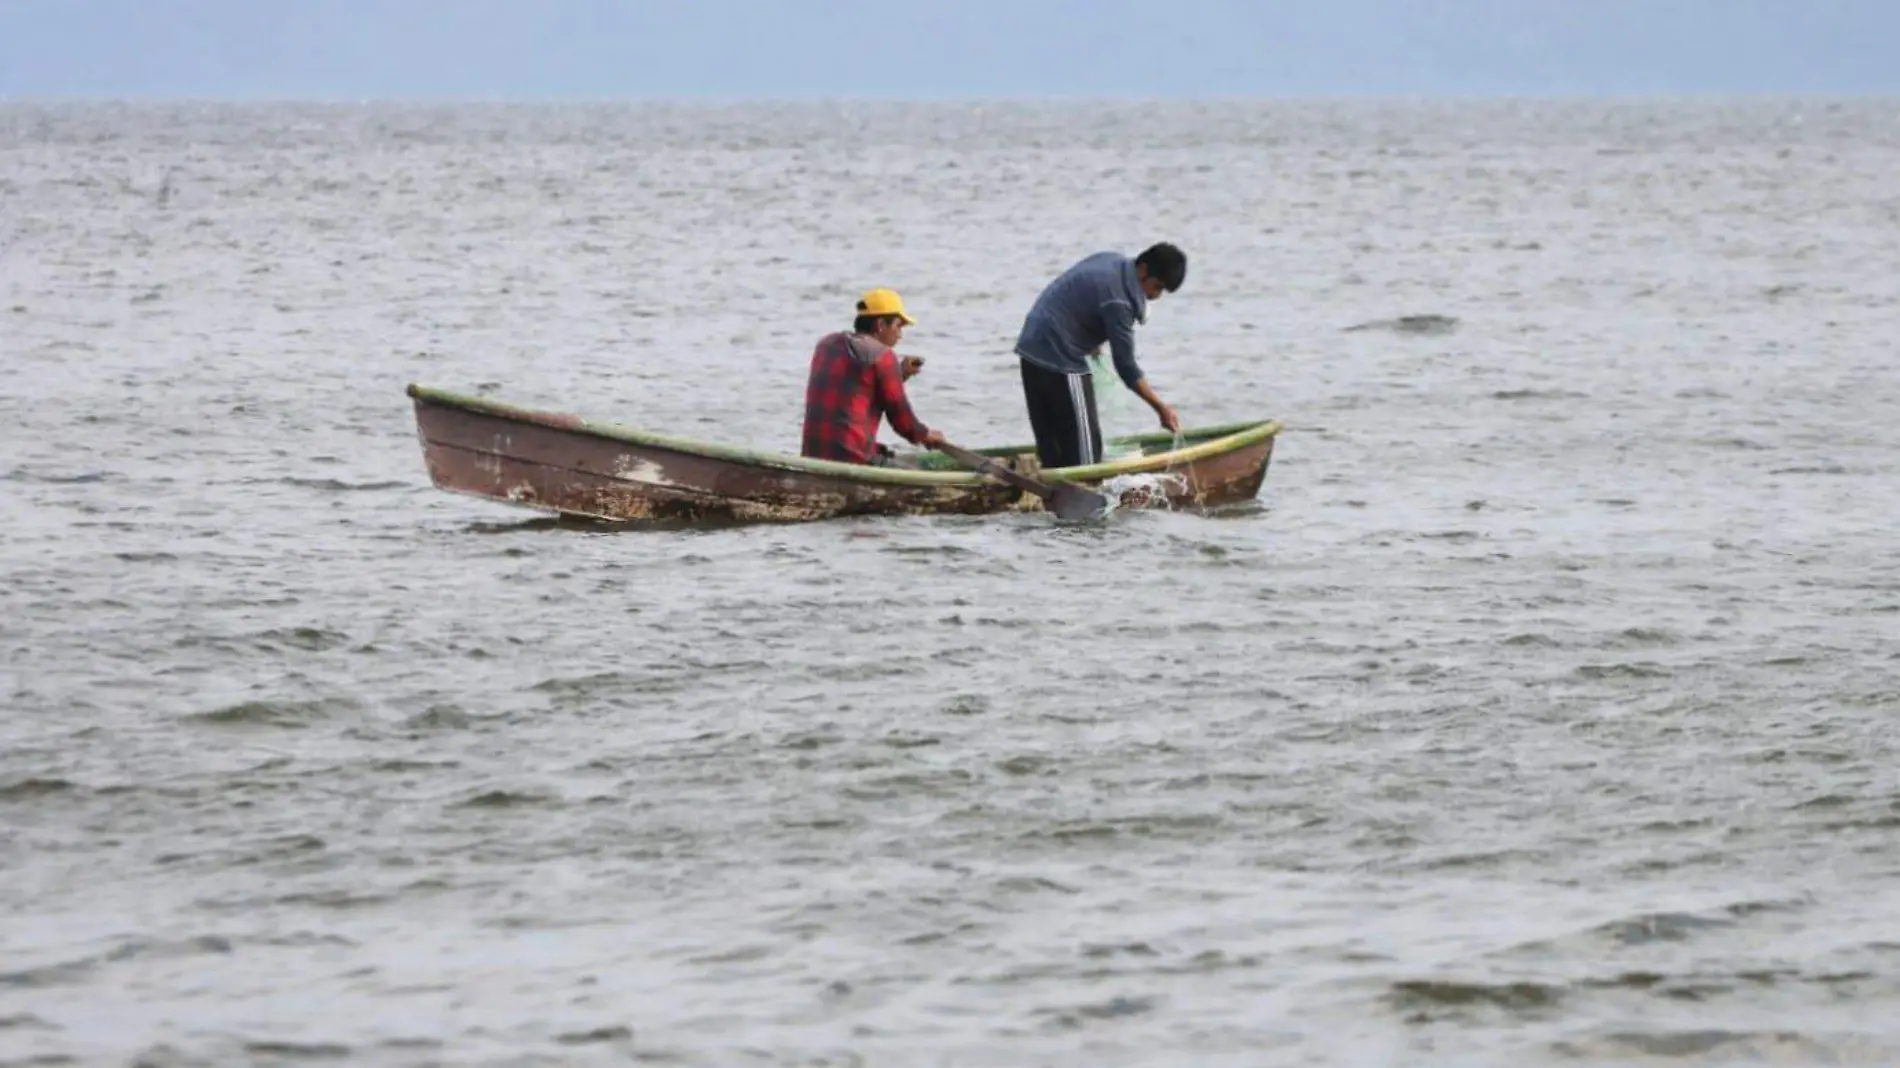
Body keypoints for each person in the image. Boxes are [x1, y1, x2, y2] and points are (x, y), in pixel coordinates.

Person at [1013, 242, 1187, 469]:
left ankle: (1055, 497)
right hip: (1061, 356)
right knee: (1086, 455)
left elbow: (1079, 299)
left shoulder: (1112, 261)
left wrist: (1090, 342)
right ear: (1143, 270)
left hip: (1031, 345)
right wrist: (1160, 408)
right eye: (1156, 287)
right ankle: (1085, 495)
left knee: (1053, 447)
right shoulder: (1120, 302)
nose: (1155, 296)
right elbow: (1126, 366)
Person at [801, 287, 946, 466]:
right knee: (916, 470)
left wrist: (899, 374)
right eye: (898, 326)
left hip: (813, 456)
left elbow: (858, 388)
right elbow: (902, 421)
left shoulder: (826, 344)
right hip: (853, 459)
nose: (900, 334)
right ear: (880, 325)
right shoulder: (883, 356)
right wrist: (926, 435)